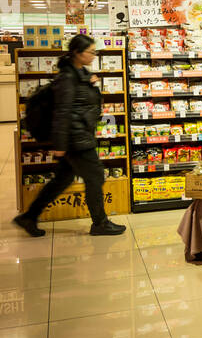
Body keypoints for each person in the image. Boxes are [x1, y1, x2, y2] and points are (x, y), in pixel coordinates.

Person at [13, 34, 125, 237]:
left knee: (63, 179)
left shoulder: (79, 73)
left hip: (79, 134)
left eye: (94, 51)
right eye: (90, 52)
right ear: (77, 53)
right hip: (76, 138)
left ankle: (29, 217)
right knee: (96, 175)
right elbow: (62, 112)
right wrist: (61, 143)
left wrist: (90, 84)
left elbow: (83, 102)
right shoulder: (67, 78)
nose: (93, 55)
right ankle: (100, 223)